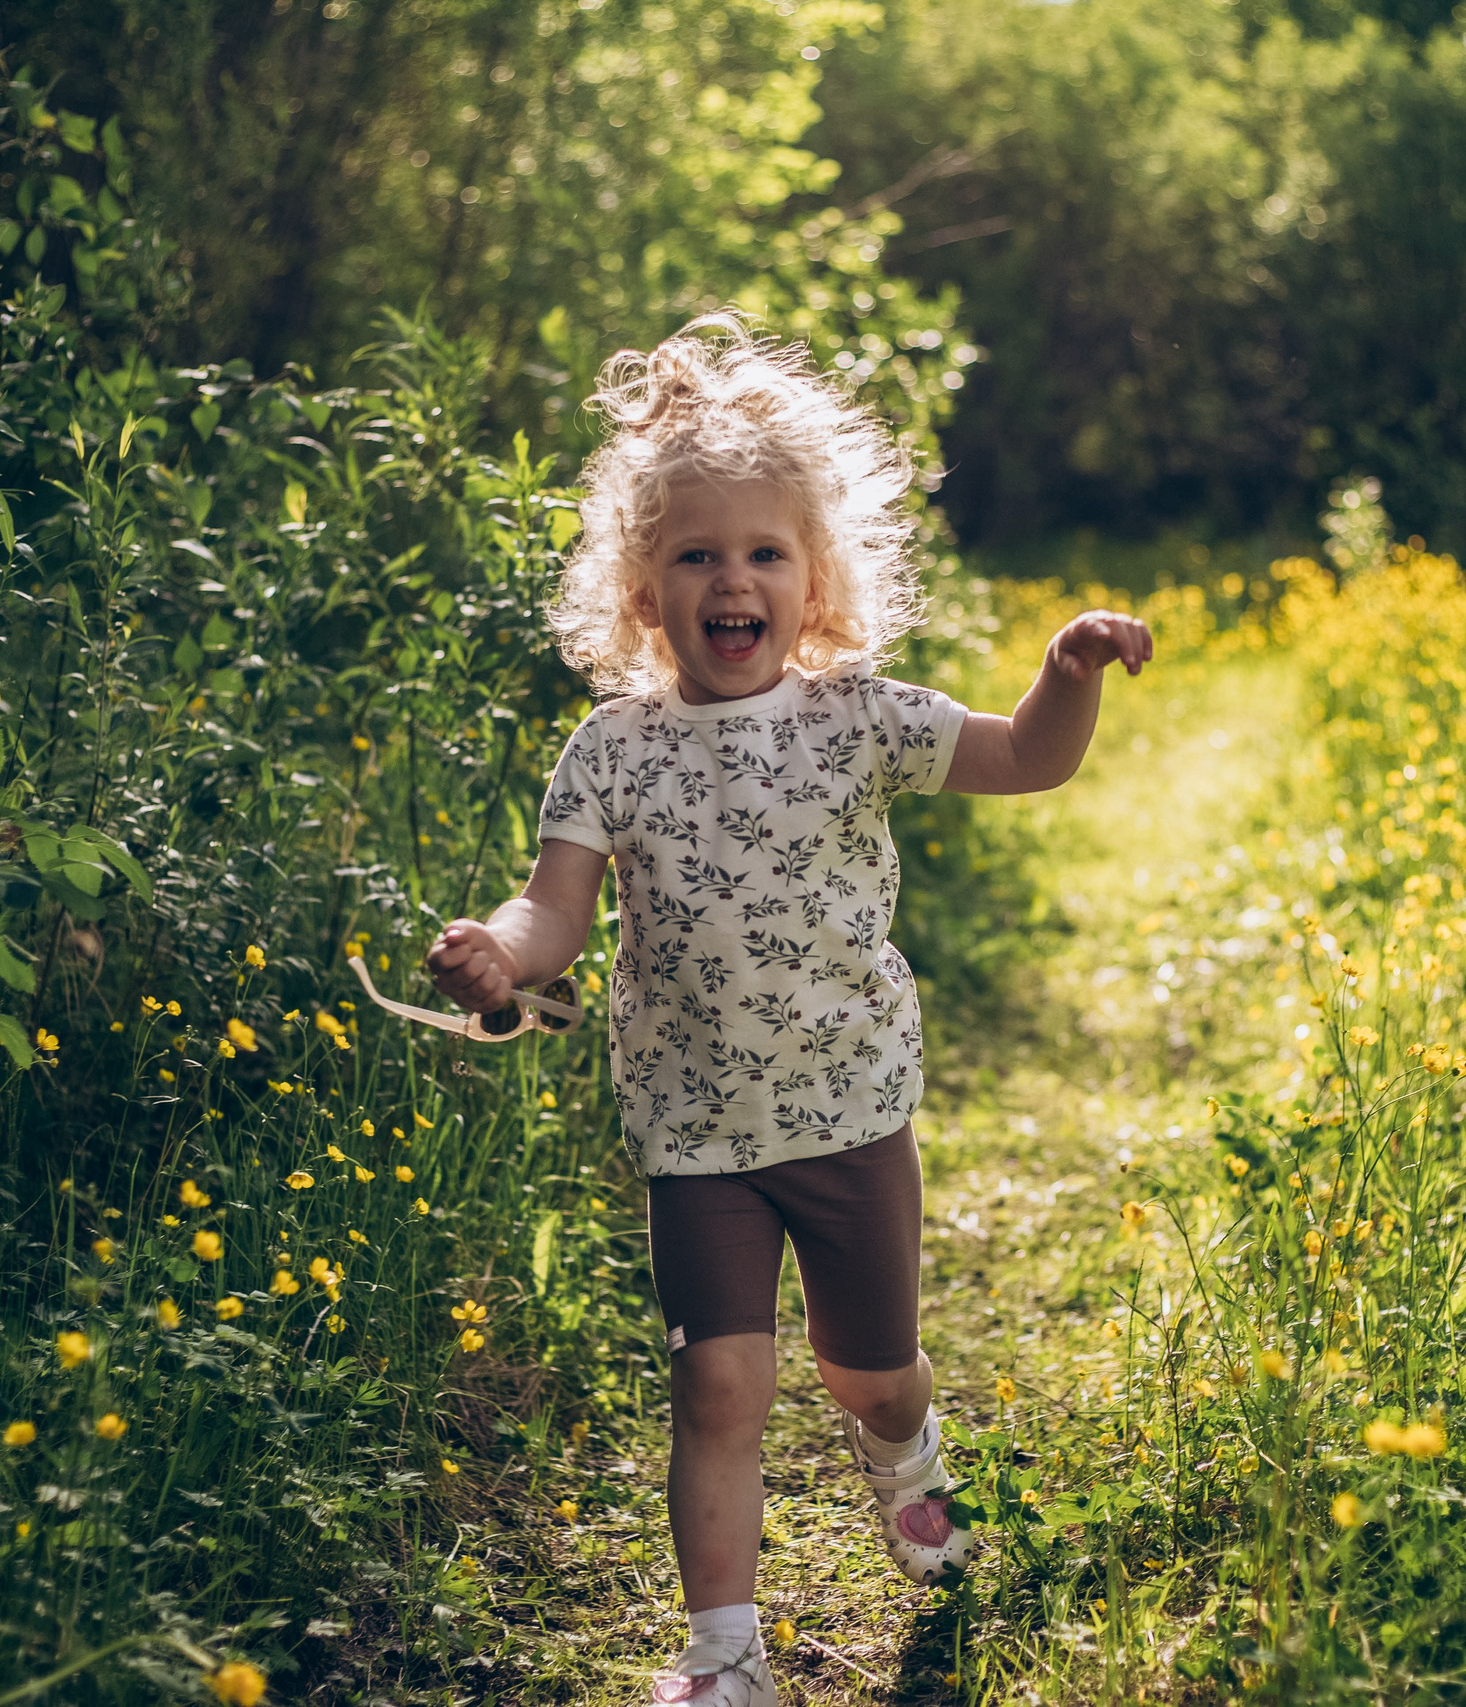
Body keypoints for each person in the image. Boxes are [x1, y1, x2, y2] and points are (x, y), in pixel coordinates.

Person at [425, 316, 1152, 1706]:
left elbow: (1022, 762)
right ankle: (724, 1658)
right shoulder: (611, 752)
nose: (731, 578)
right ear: (646, 591)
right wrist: (502, 958)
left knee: (868, 1375)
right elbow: (556, 910)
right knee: (719, 1389)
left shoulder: (858, 720)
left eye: (762, 551)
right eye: (696, 554)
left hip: (848, 1112)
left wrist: (1064, 679)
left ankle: (913, 1477)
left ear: (813, 578)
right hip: (693, 1128)